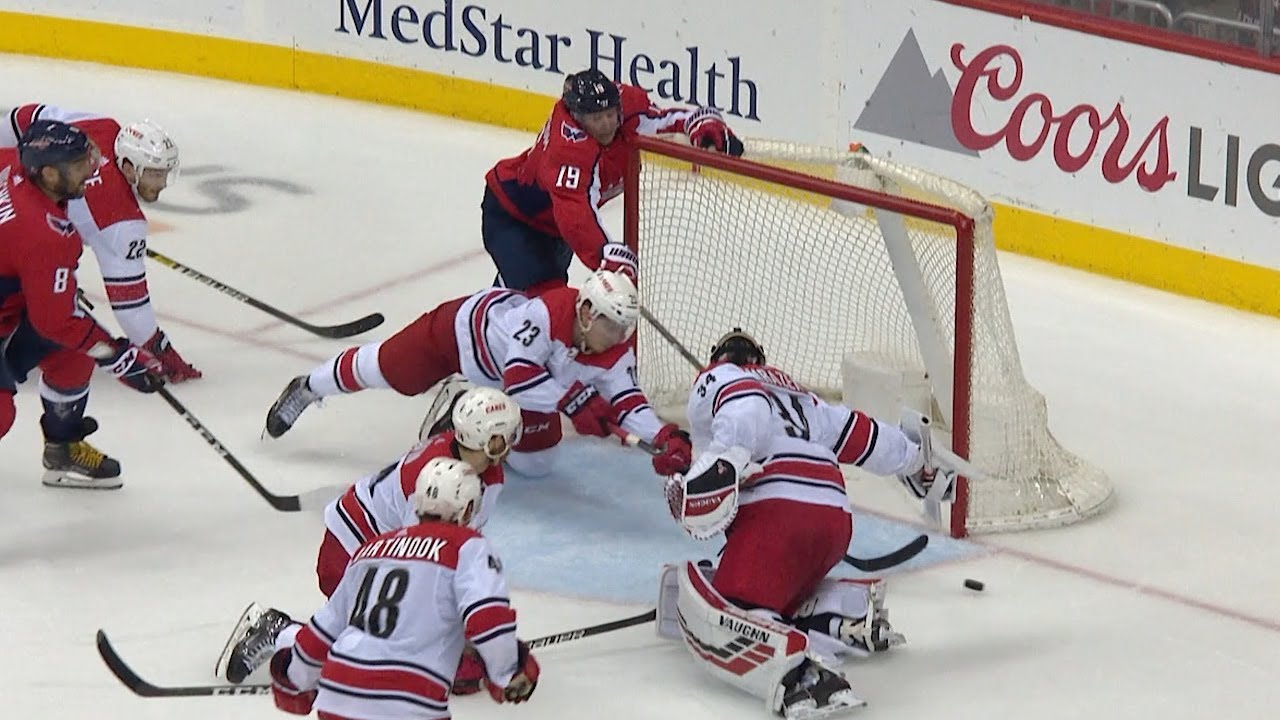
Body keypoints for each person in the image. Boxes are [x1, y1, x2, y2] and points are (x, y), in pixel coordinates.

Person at [656, 329, 953, 718]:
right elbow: (860, 434)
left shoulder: (717, 379)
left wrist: (712, 468)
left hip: (777, 517)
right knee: (778, 581)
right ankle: (841, 614)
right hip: (833, 524)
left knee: (738, 607)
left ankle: (803, 675)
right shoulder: (800, 395)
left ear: (718, 359)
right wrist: (917, 461)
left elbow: (744, 419)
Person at [216, 387, 523, 691]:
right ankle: (276, 632)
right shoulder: (427, 482)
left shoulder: (488, 474)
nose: (511, 445)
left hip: (378, 546)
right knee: (381, 654)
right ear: (486, 440)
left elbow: (455, 551)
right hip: (350, 552)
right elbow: (418, 570)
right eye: (505, 437)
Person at [262, 270, 691, 479]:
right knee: (388, 371)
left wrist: (664, 436)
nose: (619, 335)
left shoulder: (614, 350)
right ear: (585, 312)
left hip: (525, 389)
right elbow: (521, 376)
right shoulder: (548, 312)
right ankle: (309, 386)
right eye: (612, 324)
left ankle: (463, 409)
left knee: (538, 464)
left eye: (624, 327)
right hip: (460, 334)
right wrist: (573, 400)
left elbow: (628, 401)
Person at [264, 456, 540, 719]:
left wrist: (296, 678)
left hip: (340, 693)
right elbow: (486, 617)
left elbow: (325, 627)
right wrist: (507, 671)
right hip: (409, 699)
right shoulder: (467, 546)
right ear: (468, 508)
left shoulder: (370, 549)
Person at [0, 120, 165, 488]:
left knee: (72, 351)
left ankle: (63, 449)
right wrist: (121, 358)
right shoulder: (44, 235)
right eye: (78, 166)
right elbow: (55, 322)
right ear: (47, 173)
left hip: (10, 302)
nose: (91, 170)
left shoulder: (12, 163)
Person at [483, 68, 745, 294]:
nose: (607, 124)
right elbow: (577, 217)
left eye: (610, 114)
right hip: (514, 216)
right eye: (597, 119)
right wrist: (610, 260)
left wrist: (697, 122)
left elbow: (659, 120)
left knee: (526, 292)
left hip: (553, 229)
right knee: (539, 300)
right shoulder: (569, 151)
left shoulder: (625, 109)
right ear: (577, 117)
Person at [2, 104, 200, 382]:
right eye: (154, 173)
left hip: (13, 203)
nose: (163, 183)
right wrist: (160, 350)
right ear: (129, 167)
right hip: (27, 235)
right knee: (48, 307)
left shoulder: (101, 126)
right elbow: (130, 306)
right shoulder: (122, 225)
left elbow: (25, 117)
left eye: (165, 172)